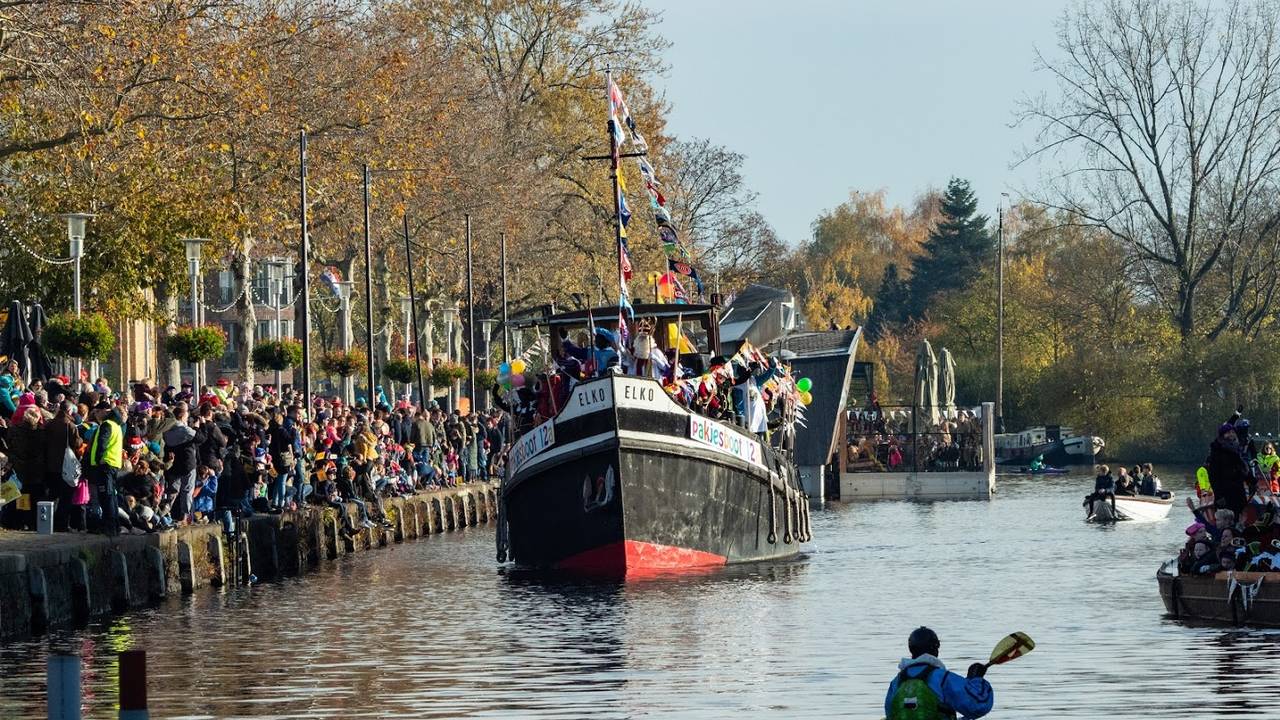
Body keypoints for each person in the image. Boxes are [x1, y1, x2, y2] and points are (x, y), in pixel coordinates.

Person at [885, 626, 994, 720]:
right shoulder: (942, 678)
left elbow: (890, 714)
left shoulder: (896, 682)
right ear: (936, 648)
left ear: (911, 649)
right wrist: (975, 678)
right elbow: (978, 705)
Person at [1206, 423, 1251, 515]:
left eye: (1232, 432)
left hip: (1238, 491)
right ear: (1222, 435)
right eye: (1228, 432)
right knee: (1226, 517)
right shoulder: (1217, 452)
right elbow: (1213, 476)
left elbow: (1242, 469)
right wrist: (1218, 496)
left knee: (1239, 515)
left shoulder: (1236, 450)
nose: (1231, 434)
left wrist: (1252, 481)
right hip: (1224, 492)